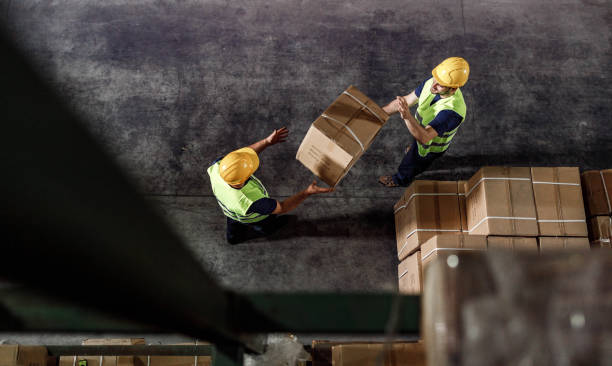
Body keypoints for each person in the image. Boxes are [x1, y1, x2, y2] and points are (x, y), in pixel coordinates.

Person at [207, 127, 333, 244]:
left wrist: (267, 141)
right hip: (254, 217)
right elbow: (282, 207)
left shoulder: (218, 166)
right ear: (244, 178)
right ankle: (267, 229)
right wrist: (307, 192)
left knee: (234, 228)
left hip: (230, 213)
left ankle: (233, 239)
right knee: (266, 226)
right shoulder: (252, 200)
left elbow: (240, 158)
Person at [378, 57, 469, 187]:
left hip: (430, 146)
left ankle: (400, 179)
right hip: (419, 131)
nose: (434, 85)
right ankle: (413, 154)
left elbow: (424, 138)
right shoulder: (433, 82)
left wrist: (407, 116)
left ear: (454, 89)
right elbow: (407, 100)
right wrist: (378, 113)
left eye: (440, 84)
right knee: (414, 149)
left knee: (412, 163)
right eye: (435, 78)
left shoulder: (452, 112)